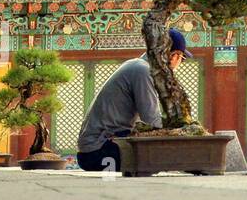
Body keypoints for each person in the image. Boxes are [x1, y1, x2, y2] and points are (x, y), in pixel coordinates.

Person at [76, 28, 192, 173]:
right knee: (167, 157)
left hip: (95, 149)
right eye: (181, 57)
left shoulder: (137, 66)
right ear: (174, 55)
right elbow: (152, 121)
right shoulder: (144, 71)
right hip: (99, 152)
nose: (179, 62)